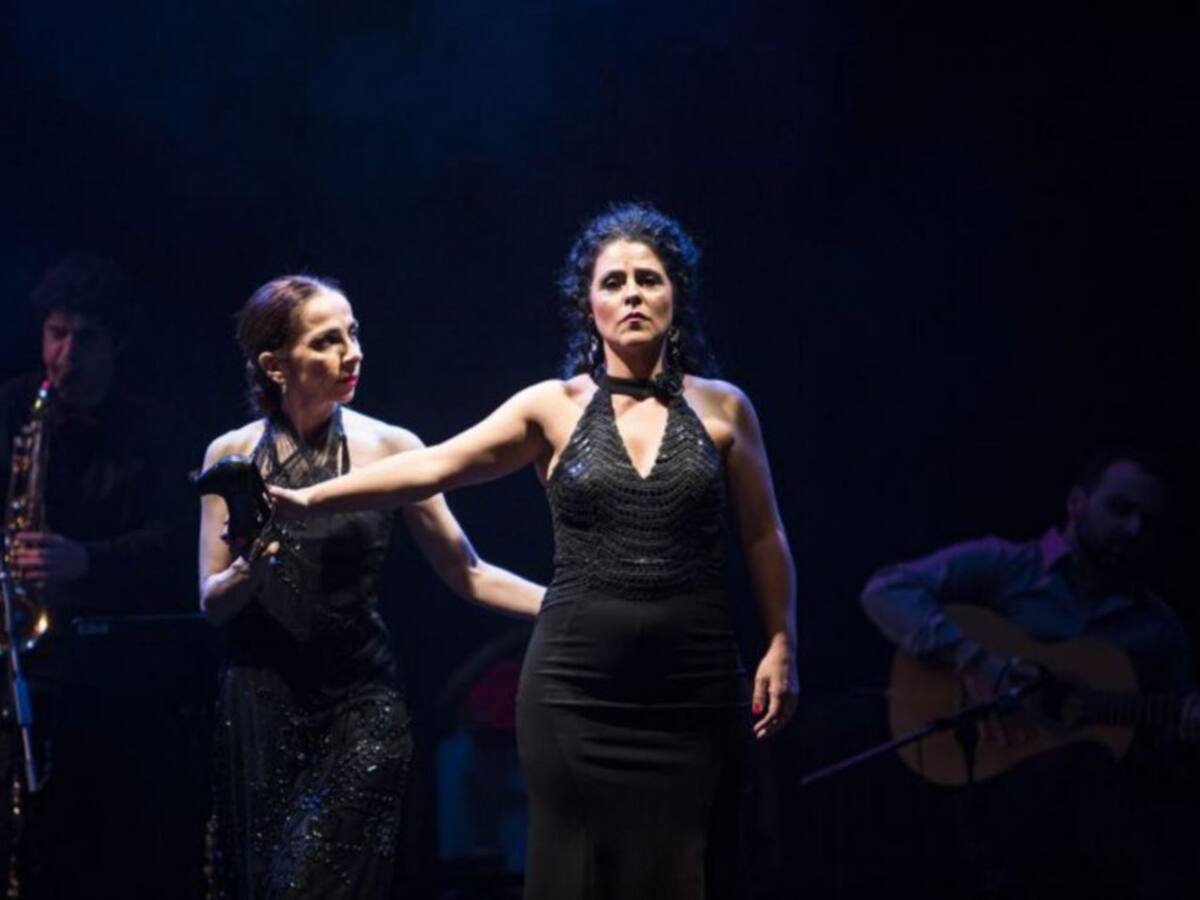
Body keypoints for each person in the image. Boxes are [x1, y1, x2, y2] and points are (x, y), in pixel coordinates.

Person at [268, 203, 799, 899]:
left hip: (694, 688)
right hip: (576, 692)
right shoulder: (551, 407)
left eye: (649, 279)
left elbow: (764, 534)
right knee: (576, 873)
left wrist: (782, 640)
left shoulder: (725, 407)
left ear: (677, 296)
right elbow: (435, 465)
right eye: (613, 282)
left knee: (693, 870)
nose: (633, 294)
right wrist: (310, 498)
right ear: (588, 304)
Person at [198, 275, 544, 899]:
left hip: (360, 703)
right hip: (260, 705)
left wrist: (566, 605)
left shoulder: (391, 447)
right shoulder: (231, 454)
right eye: (327, 341)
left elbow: (468, 572)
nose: (351, 353)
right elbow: (212, 603)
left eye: (353, 334)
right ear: (276, 366)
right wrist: (251, 568)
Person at [860, 450, 1200, 897]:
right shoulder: (1007, 566)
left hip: (1090, 830)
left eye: (1148, 521)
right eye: (1120, 508)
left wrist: (1181, 729)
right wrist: (977, 662)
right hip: (985, 789)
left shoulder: (1158, 628)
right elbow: (885, 590)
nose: (1134, 529)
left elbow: (1166, 739)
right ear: (1077, 503)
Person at [0, 254, 182, 897]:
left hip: (105, 674)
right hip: (16, 656)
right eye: (57, 334)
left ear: (115, 345)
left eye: (86, 338)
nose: (67, 354)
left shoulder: (150, 429)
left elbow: (172, 543)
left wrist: (87, 560)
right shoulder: (12, 408)